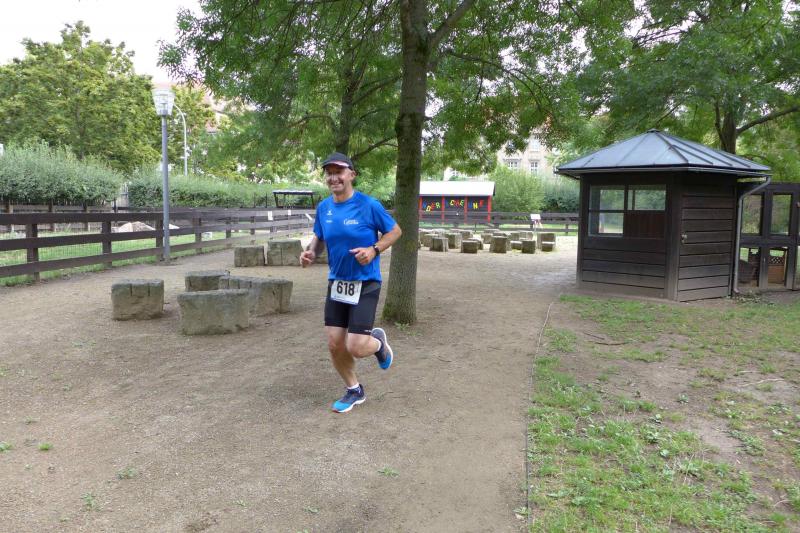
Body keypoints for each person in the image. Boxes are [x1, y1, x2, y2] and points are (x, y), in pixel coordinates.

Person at [300, 152, 402, 413]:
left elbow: (395, 231)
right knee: (335, 344)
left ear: (352, 175)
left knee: (355, 346)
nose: (333, 177)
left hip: (366, 282)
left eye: (339, 172)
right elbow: (319, 238)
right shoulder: (324, 208)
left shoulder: (369, 205)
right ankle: (354, 390)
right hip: (337, 283)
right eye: (329, 172)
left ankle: (378, 343)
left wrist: (374, 250)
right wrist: (311, 252)